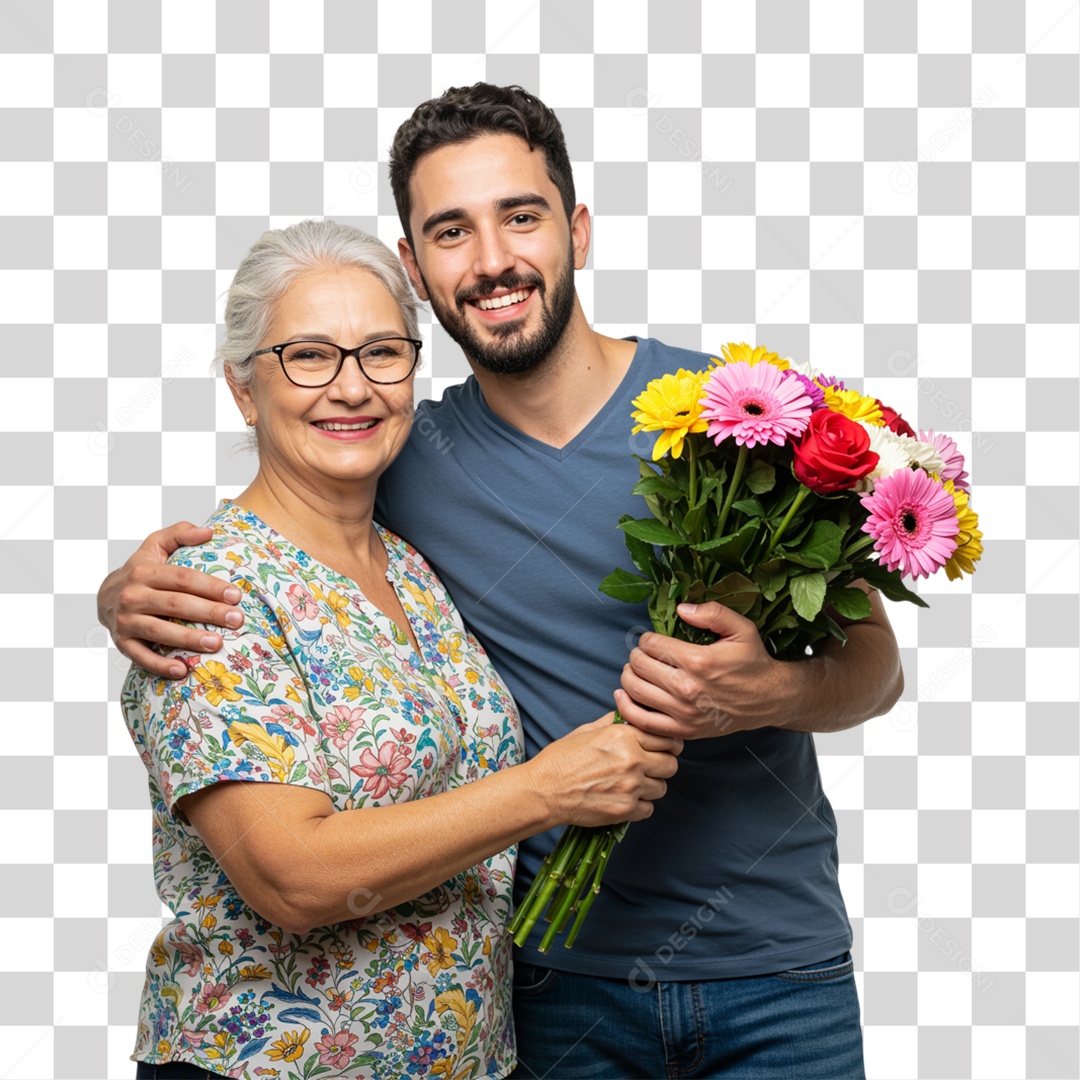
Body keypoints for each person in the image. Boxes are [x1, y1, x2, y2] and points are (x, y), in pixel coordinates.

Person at [100, 85, 903, 1079]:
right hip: (551, 983)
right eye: (450, 231)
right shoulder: (403, 458)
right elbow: (284, 509)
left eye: (520, 216)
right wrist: (131, 588)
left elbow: (874, 666)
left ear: (576, 229)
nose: (491, 261)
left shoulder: (734, 421)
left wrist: (770, 693)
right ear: (414, 267)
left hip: (779, 972)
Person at [117, 218, 680, 1080]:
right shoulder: (210, 592)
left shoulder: (411, 563)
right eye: (308, 356)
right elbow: (292, 880)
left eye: (382, 352)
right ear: (242, 388)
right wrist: (547, 789)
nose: (352, 388)